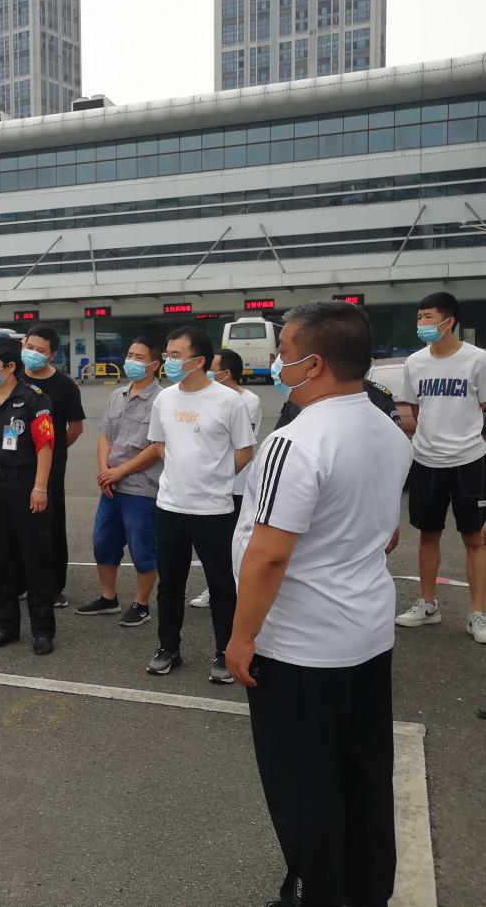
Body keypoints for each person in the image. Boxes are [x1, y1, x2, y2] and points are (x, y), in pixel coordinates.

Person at [227, 301, 412, 907]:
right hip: (366, 633)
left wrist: (241, 637)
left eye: (284, 351)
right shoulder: (387, 429)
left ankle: (315, 892)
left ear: (314, 364)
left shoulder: (296, 441)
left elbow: (268, 555)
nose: (276, 361)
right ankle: (366, 889)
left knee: (303, 787)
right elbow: (384, 531)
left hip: (300, 646)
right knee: (363, 777)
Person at [145, 326, 256, 681]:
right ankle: (168, 648)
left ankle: (225, 652)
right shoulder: (164, 399)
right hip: (170, 507)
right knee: (170, 584)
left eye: (176, 356)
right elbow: (158, 443)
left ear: (199, 361)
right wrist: (180, 469)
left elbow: (245, 450)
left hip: (214, 510)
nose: (168, 361)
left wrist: (217, 477)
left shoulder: (228, 400)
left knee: (222, 585)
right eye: (167, 354)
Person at [393, 292, 486, 643]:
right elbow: (416, 411)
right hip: (427, 460)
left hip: (469, 460)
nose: (422, 324)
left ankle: (477, 613)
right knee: (427, 534)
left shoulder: (478, 359)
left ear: (449, 321)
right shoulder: (415, 362)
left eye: (428, 317)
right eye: (419, 317)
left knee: (475, 538)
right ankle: (428, 605)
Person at [0, 338, 58, 655]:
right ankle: (7, 626)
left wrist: (40, 487)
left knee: (35, 560)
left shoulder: (35, 399)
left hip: (25, 486)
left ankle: (43, 631)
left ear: (10, 366)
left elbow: (45, 444)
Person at [76, 338, 164, 627]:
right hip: (111, 486)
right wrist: (105, 470)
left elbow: (157, 446)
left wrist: (121, 471)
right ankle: (108, 597)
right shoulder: (118, 395)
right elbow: (105, 435)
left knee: (142, 549)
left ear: (154, 365)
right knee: (103, 543)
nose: (131, 361)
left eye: (139, 357)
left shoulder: (162, 400)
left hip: (142, 488)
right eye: (129, 354)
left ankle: (141, 604)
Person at [189, 348, 263, 610]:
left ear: (227, 373)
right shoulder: (207, 397)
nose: (207, 372)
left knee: (232, 541)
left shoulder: (249, 401)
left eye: (213, 368)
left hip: (235, 484)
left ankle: (233, 590)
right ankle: (217, 587)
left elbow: (238, 443)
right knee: (211, 543)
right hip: (206, 482)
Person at [21, 325, 85, 607]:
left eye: (40, 350)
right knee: (20, 526)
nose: (33, 353)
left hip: (51, 469)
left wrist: (52, 451)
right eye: (29, 347)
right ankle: (22, 581)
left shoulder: (64, 385)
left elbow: (76, 428)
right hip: (16, 466)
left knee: (51, 525)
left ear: (52, 355)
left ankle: (54, 585)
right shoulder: (13, 378)